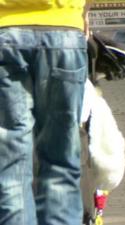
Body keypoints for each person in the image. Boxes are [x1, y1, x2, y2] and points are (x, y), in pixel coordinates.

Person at [0, 1, 91, 224]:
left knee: (11, 162)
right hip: (64, 29)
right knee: (61, 157)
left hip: (5, 30)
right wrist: (83, 14)